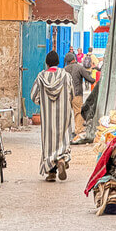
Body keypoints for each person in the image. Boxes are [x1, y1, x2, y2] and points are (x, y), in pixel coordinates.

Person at [30, 51, 74, 182]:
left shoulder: (41, 77)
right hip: (63, 115)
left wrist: (43, 102)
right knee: (63, 139)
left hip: (47, 116)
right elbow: (72, 93)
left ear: (47, 63)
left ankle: (51, 172)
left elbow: (33, 96)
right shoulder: (66, 76)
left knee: (49, 143)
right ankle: (61, 159)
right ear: (58, 63)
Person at [64, 52, 96, 134]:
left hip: (66, 94)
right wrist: (94, 81)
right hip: (77, 94)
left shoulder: (64, 70)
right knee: (78, 113)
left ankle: (67, 132)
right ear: (74, 59)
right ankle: (78, 130)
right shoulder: (79, 67)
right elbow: (88, 78)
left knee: (67, 113)